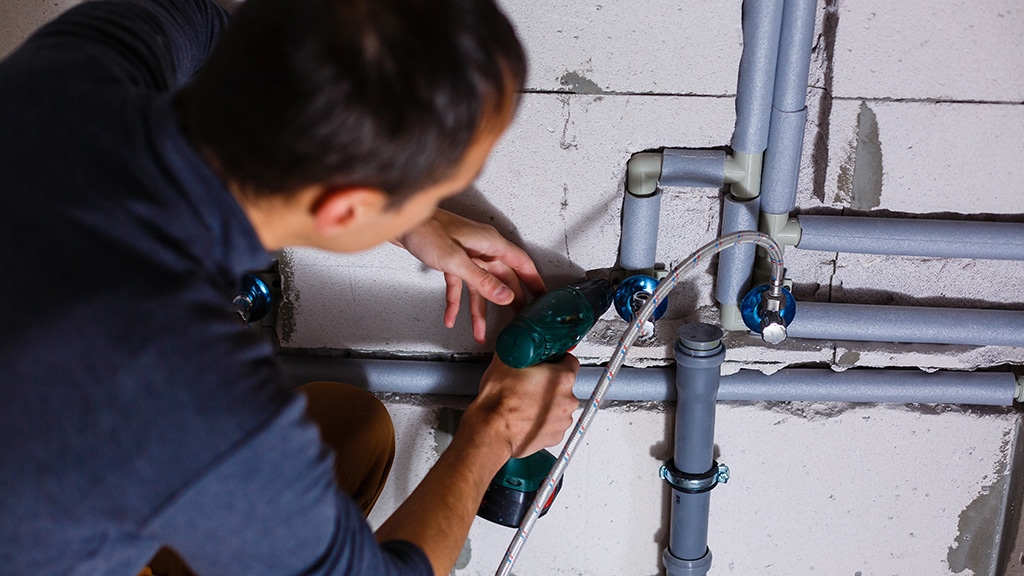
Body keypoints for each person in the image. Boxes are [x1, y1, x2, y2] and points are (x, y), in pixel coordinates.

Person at [0, 0, 581, 574]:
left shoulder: (76, 66)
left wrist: (404, 215)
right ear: (343, 209)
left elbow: (206, 23)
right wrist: (496, 426)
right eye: (433, 193)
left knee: (351, 433)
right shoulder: (180, 383)